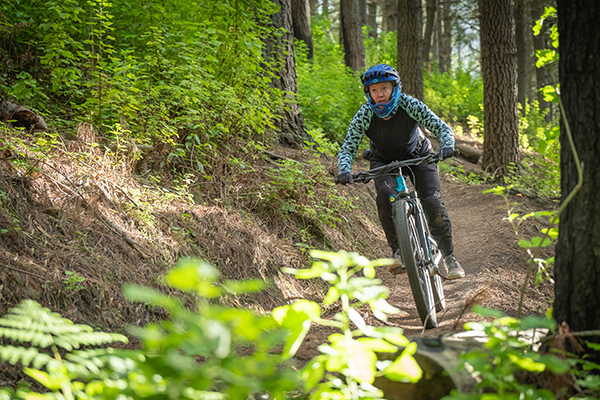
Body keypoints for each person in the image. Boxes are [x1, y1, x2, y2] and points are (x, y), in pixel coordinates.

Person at [337, 63, 465, 280]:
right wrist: (344, 169)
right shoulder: (365, 114)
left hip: (419, 157)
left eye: (384, 88)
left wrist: (447, 144)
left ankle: (449, 257)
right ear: (368, 93)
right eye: (374, 90)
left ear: (395, 88)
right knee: (385, 198)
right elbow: (348, 146)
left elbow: (441, 127)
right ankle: (398, 251)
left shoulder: (409, 104)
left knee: (432, 203)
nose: (379, 95)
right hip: (383, 161)